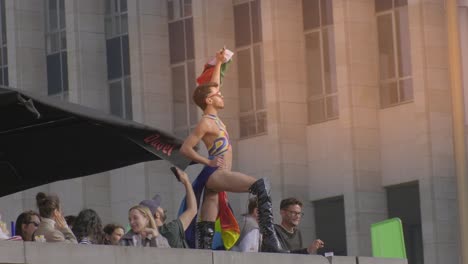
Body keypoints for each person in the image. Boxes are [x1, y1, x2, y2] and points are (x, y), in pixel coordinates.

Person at [179, 48, 285, 252]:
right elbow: (186, 148)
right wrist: (206, 161)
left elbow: (215, 84)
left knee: (209, 214)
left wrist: (219, 63)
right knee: (261, 186)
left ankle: (204, 250)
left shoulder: (214, 119)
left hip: (217, 175)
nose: (221, 95)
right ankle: (270, 239)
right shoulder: (206, 123)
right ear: (209, 101)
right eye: (217, 95)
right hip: (216, 173)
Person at [139, 167, 196, 248]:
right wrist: (187, 182)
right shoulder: (171, 230)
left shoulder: (144, 239)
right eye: (159, 206)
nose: (163, 209)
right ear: (157, 215)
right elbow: (192, 209)